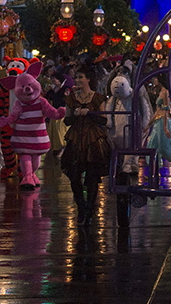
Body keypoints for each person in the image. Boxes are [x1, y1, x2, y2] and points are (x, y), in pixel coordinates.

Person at [60, 65, 112, 225]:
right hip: (76, 138)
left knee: (91, 176)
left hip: (92, 139)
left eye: (81, 77)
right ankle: (81, 207)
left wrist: (90, 113)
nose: (78, 80)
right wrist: (75, 114)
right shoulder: (72, 98)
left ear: (88, 79)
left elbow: (104, 120)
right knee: (74, 176)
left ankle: (89, 210)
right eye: (76, 78)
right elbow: (67, 120)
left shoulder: (97, 98)